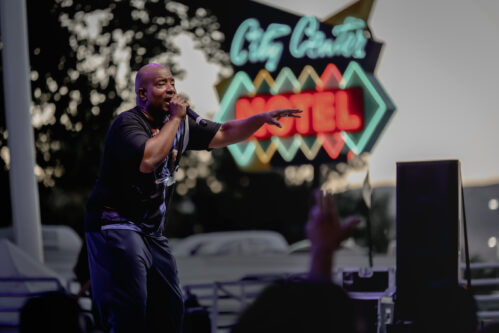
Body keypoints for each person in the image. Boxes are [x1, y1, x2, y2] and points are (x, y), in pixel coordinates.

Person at [84, 63, 301, 333]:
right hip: (116, 222)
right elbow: (148, 159)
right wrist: (175, 119)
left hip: (151, 232)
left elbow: (225, 132)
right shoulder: (128, 123)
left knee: (171, 307)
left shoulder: (183, 123)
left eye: (172, 82)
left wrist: (259, 119)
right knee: (131, 308)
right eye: (162, 83)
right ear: (142, 93)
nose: (171, 89)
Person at [231, 190, 361, 333]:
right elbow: (322, 317)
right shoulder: (331, 308)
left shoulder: (272, 302)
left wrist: (322, 251)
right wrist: (323, 251)